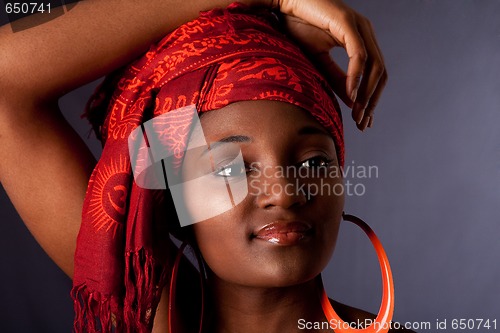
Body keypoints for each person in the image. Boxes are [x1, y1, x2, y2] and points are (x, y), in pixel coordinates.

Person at [0, 0, 390, 332]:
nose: (285, 192)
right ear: (171, 199)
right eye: (228, 168)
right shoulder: (151, 315)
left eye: (314, 161)